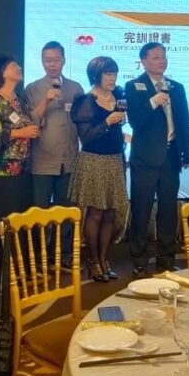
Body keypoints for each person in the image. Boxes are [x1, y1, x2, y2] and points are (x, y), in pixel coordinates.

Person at [125, 42, 189, 277]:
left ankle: (166, 261)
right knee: (141, 210)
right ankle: (139, 260)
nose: (161, 61)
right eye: (155, 57)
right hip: (144, 159)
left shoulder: (176, 87)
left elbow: (184, 121)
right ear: (143, 61)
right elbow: (135, 121)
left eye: (163, 56)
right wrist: (154, 101)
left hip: (171, 156)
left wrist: (187, 153)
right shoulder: (133, 86)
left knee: (168, 211)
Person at [0, 54, 39, 277]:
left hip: (21, 172)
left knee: (19, 218)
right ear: (2, 72)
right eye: (13, 65)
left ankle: (17, 266)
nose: (18, 67)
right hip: (0, 174)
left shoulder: (18, 100)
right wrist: (20, 133)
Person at [69, 56, 130, 282]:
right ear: (96, 76)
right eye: (108, 74)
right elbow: (86, 137)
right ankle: (93, 260)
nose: (113, 78)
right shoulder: (85, 100)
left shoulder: (120, 96)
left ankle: (105, 259)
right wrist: (107, 122)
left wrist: (120, 123)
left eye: (115, 74)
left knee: (111, 212)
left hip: (115, 159)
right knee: (95, 213)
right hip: (94, 161)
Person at [24, 41, 83, 270]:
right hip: (42, 161)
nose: (52, 64)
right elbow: (29, 121)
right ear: (41, 61)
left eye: (56, 59)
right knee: (40, 210)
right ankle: (38, 256)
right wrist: (46, 100)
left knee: (65, 211)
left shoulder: (76, 88)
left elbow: (81, 121)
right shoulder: (32, 89)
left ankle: (62, 253)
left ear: (64, 61)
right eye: (47, 60)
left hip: (69, 160)